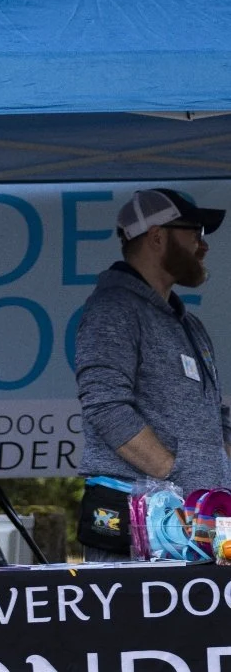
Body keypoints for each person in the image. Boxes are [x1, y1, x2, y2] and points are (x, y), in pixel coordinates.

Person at [74, 188, 231, 511]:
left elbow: (216, 418)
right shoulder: (113, 308)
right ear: (157, 236)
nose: (203, 246)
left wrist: (218, 478)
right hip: (144, 521)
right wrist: (173, 475)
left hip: (199, 518)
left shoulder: (189, 325)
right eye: (195, 232)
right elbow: (105, 406)